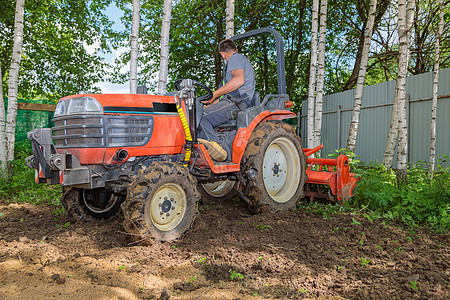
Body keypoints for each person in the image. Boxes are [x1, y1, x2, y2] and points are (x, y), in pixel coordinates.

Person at [197, 38, 255, 161]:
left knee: (200, 118)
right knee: (198, 113)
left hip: (237, 102)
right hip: (232, 101)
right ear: (236, 48)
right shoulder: (228, 78)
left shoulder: (235, 58)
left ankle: (219, 151)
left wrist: (213, 95)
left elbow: (239, 80)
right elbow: (225, 96)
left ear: (222, 54)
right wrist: (210, 104)